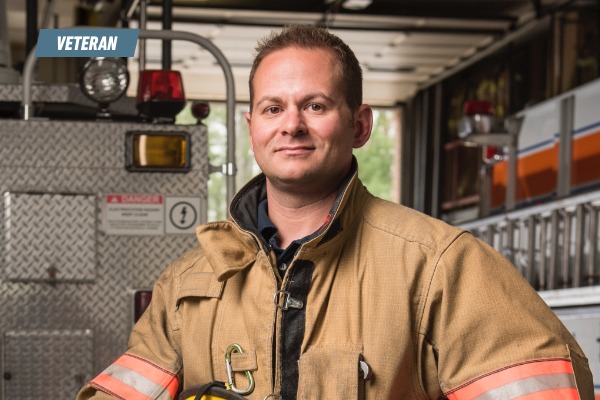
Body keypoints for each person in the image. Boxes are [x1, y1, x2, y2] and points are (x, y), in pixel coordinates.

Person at [77, 24, 594, 400]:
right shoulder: (191, 281)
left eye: (316, 105)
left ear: (360, 126)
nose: (291, 125)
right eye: (273, 108)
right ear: (251, 126)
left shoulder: (442, 267)